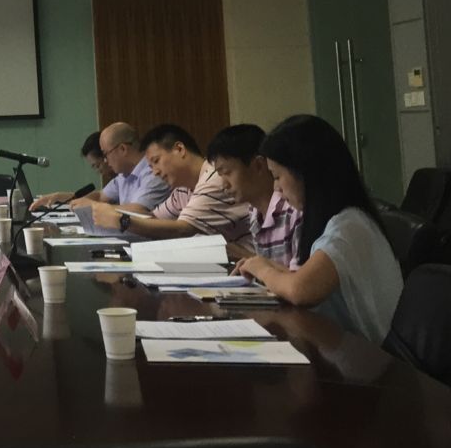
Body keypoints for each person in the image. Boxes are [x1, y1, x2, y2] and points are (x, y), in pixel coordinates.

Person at [234, 115, 403, 345]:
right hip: (348, 349)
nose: (276, 188)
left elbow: (300, 290)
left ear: (306, 173)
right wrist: (262, 265)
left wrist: (262, 269)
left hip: (369, 358)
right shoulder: (339, 220)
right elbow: (303, 278)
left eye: (277, 177)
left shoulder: (349, 227)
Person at [92, 123, 253, 249]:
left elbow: (182, 229)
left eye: (156, 161)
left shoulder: (214, 179)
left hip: (251, 269)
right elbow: (153, 218)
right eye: (151, 166)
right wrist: (115, 216)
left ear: (179, 149)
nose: (155, 172)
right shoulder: (183, 189)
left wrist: (122, 220)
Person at [208, 124, 302, 266]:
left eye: (227, 172)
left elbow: (299, 277)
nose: (224, 185)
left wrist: (253, 263)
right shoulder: (254, 211)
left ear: (258, 165)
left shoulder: (293, 210)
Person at [34, 123, 169, 211]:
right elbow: (100, 196)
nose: (105, 160)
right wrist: (69, 198)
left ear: (122, 149)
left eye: (106, 154)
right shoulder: (124, 175)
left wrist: (94, 206)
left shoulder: (153, 172)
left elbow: (139, 210)